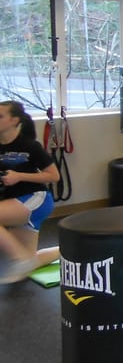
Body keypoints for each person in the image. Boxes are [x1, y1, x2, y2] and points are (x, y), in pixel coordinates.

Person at [0, 101, 60, 284]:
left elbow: (54, 176)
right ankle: (70, 248)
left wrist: (19, 176)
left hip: (36, 199)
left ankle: (22, 260)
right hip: (15, 203)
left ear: (14, 120)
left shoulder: (30, 146)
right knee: (30, 259)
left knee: (22, 259)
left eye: (0, 116)